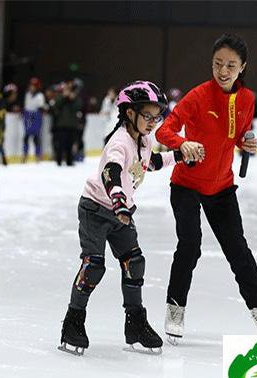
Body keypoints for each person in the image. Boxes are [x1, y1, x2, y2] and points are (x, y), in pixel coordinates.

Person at [155, 33, 257, 343]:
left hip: (221, 187)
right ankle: (175, 307)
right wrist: (183, 143)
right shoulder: (197, 96)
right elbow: (164, 130)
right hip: (186, 184)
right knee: (190, 244)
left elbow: (233, 135)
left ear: (242, 67)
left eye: (230, 66)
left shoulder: (247, 99)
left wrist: (245, 142)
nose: (223, 71)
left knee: (238, 251)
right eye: (218, 64)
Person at [59, 81, 185, 356]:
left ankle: (135, 324)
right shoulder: (119, 143)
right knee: (93, 266)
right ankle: (73, 321)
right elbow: (111, 173)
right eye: (148, 116)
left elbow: (148, 163)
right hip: (96, 208)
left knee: (134, 264)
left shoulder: (143, 139)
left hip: (121, 213)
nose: (153, 122)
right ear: (130, 113)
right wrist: (118, 201)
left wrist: (178, 155)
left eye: (157, 116)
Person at [51, 81, 82, 166]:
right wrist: (63, 97)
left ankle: (69, 161)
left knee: (70, 144)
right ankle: (59, 160)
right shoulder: (59, 97)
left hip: (72, 125)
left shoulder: (75, 97)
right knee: (60, 144)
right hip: (61, 125)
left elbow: (78, 107)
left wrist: (73, 99)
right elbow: (56, 106)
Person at [22, 77, 45, 162]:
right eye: (31, 85)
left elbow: (41, 107)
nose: (32, 87)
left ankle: (38, 155)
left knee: (36, 137)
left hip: (36, 116)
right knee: (26, 137)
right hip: (28, 115)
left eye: (34, 86)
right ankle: (25, 154)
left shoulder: (40, 95)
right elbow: (26, 105)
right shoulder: (27, 94)